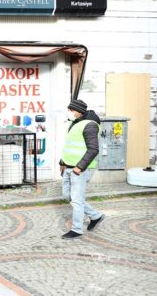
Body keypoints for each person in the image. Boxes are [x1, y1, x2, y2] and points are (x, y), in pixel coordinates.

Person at [60, 99, 104, 239]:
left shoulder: (90, 125)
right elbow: (70, 146)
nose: (69, 113)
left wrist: (80, 167)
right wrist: (62, 162)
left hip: (80, 169)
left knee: (77, 200)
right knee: (68, 195)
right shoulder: (75, 123)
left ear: (79, 111)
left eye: (71, 110)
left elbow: (93, 149)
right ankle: (96, 216)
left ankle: (77, 229)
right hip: (68, 166)